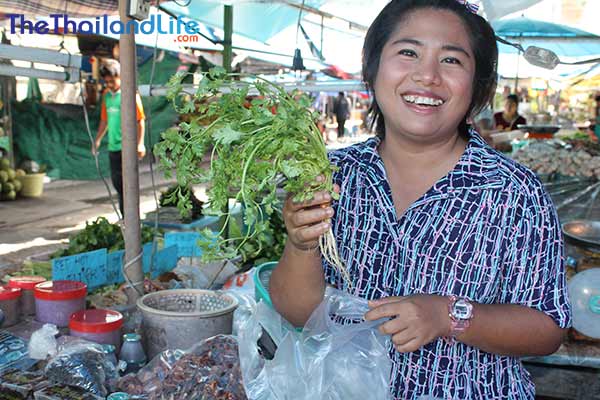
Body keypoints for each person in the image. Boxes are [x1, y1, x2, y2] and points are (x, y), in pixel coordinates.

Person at [270, 1, 571, 399]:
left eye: (451, 60)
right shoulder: (331, 175)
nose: (427, 76)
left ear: (478, 85)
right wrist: (301, 244)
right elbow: (297, 313)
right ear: (373, 68)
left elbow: (547, 329)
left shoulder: (514, 192)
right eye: (408, 52)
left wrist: (449, 316)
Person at [92, 60, 146, 217]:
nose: (109, 84)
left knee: (127, 185)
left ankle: (129, 219)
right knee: (118, 184)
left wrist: (140, 144)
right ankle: (127, 219)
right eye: (106, 81)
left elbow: (140, 120)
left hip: (127, 147)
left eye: (112, 80)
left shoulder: (130, 96)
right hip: (113, 147)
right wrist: (97, 139)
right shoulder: (106, 97)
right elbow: (105, 120)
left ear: (121, 77)